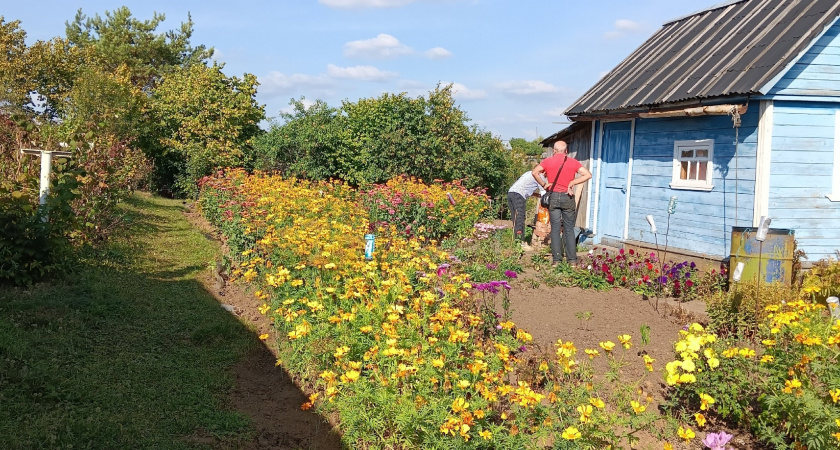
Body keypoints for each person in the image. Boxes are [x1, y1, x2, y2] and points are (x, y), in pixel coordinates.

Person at [531, 140, 592, 265]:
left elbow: (534, 172)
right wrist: (572, 182)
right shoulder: (573, 162)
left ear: (554, 150)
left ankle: (556, 260)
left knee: (555, 228)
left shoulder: (548, 161)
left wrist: (544, 184)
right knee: (569, 228)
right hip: (567, 197)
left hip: (553, 197)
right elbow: (588, 175)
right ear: (566, 151)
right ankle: (572, 260)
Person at [507, 170, 547, 250]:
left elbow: (525, 186)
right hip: (518, 195)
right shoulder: (540, 176)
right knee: (520, 218)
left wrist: (535, 194)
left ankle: (516, 242)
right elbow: (544, 192)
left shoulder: (529, 173)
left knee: (515, 218)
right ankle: (521, 244)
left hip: (511, 193)